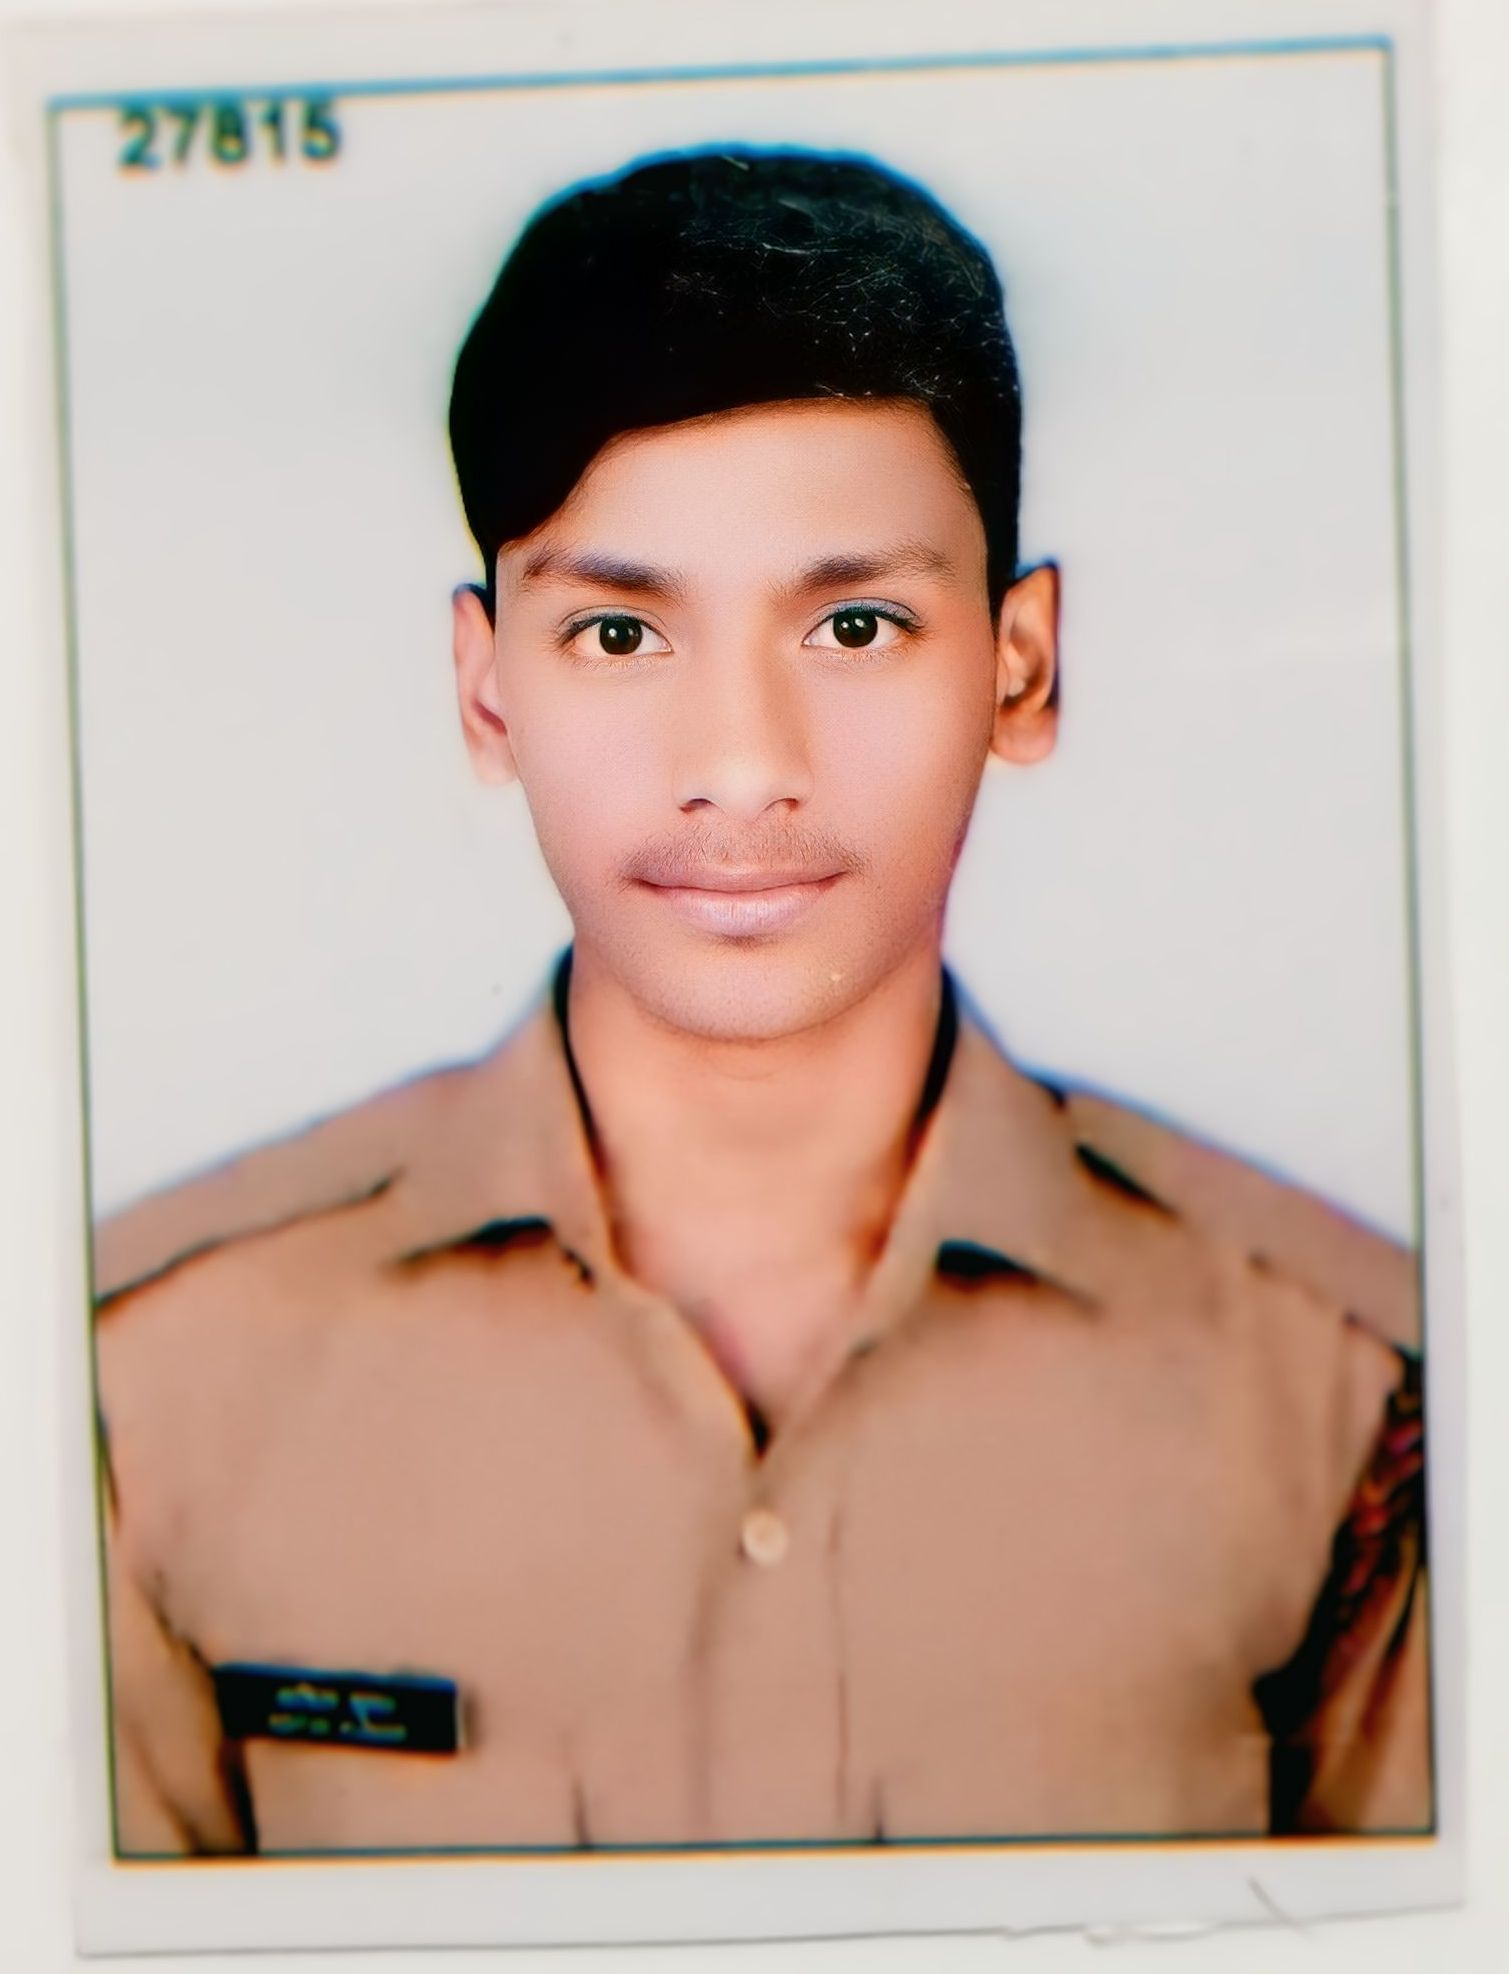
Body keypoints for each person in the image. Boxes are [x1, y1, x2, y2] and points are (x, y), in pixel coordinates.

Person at [93, 149, 1429, 1857]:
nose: (740, 765)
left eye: (854, 625)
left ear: (1019, 667)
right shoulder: (148, 1387)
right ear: (486, 693)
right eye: (619, 637)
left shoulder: (1342, 1393)